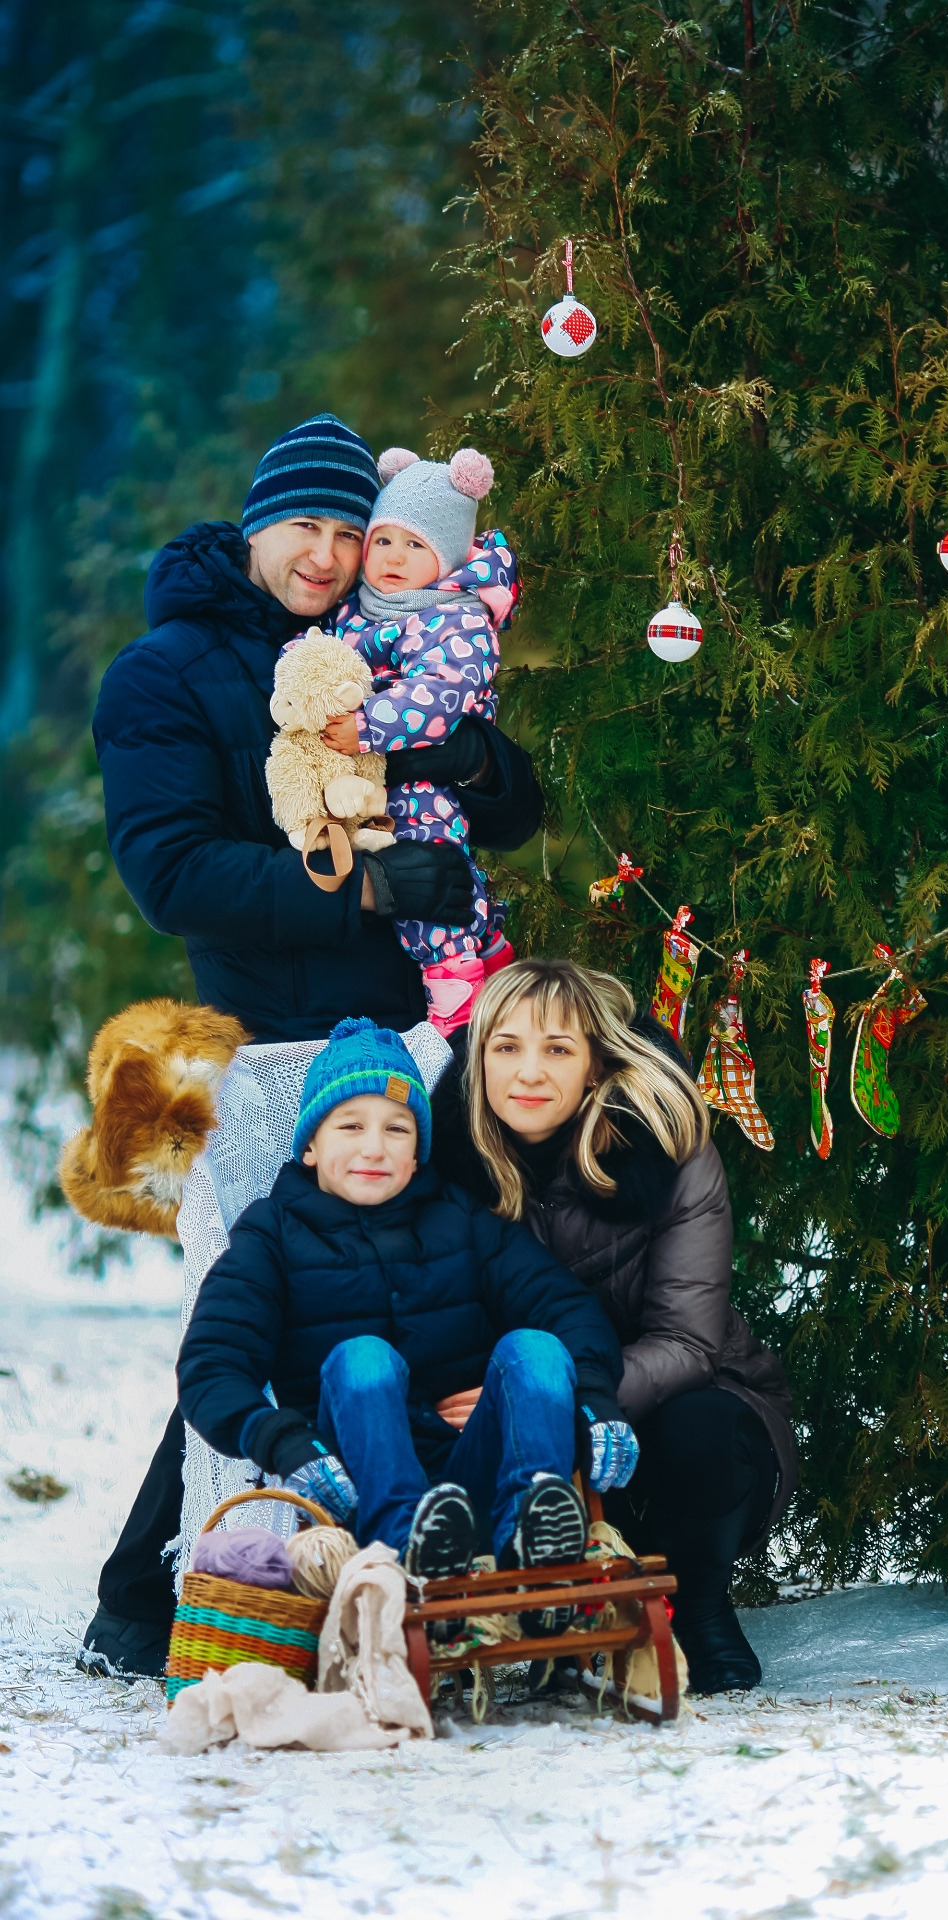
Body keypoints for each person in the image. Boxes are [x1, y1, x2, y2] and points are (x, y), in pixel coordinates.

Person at [79, 414, 544, 1679]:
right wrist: (367, 888)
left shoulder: (388, 642)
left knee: (404, 1314)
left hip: (421, 1033)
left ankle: (423, 1579)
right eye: (306, 528)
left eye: (353, 530)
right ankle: (162, 1596)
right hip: (275, 1050)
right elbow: (174, 871)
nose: (330, 555)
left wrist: (461, 754)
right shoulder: (167, 672)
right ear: (252, 526)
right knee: (261, 1312)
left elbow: (506, 806)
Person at [429, 957, 799, 1694]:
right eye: (506, 1047)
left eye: (557, 1049)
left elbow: (688, 1343)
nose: (528, 1072)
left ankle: (699, 1603)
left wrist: (566, 1404)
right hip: (523, 1410)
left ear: (597, 1067)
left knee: (696, 1426)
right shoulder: (448, 1161)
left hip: (682, 1408)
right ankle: (511, 1609)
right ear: (477, 1060)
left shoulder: (668, 1150)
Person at [177, 1017, 637, 1608]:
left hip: (472, 1478)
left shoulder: (461, 1221)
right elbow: (212, 1366)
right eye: (350, 1125)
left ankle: (535, 1546)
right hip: (354, 1495)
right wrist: (286, 1442)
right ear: (310, 1145)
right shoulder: (272, 1236)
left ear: (418, 1150)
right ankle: (408, 1554)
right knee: (360, 1358)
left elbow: (566, 1308)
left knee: (537, 1348)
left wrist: (594, 1398)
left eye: (397, 1129)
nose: (374, 1147)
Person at [312, 443, 519, 1030]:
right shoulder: (360, 609)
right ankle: (494, 957)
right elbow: (328, 658)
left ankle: (455, 990)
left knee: (430, 869)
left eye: (415, 545)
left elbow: (441, 695)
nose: (394, 558)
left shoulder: (456, 616)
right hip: (368, 776)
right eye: (383, 541)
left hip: (426, 778)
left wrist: (367, 728)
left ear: (446, 558)